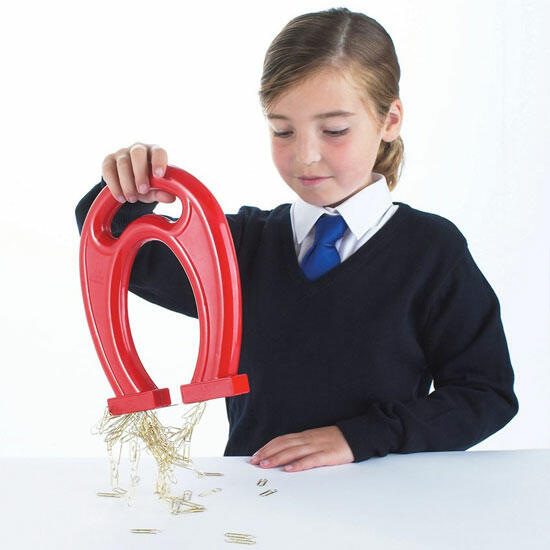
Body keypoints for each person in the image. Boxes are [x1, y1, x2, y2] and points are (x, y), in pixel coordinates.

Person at [75, 7, 518, 473]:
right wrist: (128, 187)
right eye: (282, 130)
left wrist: (360, 437)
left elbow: (485, 394)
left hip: (380, 499)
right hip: (256, 499)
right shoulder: (236, 247)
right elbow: (118, 247)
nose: (305, 155)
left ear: (389, 120)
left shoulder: (433, 253)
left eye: (334, 130)